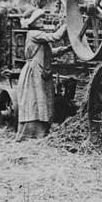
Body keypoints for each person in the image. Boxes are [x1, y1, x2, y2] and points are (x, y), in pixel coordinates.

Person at [16, 9, 71, 142]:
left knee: (41, 99)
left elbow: (49, 52)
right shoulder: (34, 34)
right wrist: (67, 24)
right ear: (32, 22)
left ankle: (40, 132)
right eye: (38, 19)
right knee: (34, 98)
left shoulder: (37, 36)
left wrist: (66, 49)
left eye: (41, 18)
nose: (42, 20)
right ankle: (31, 133)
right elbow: (55, 37)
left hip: (40, 71)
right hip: (34, 72)